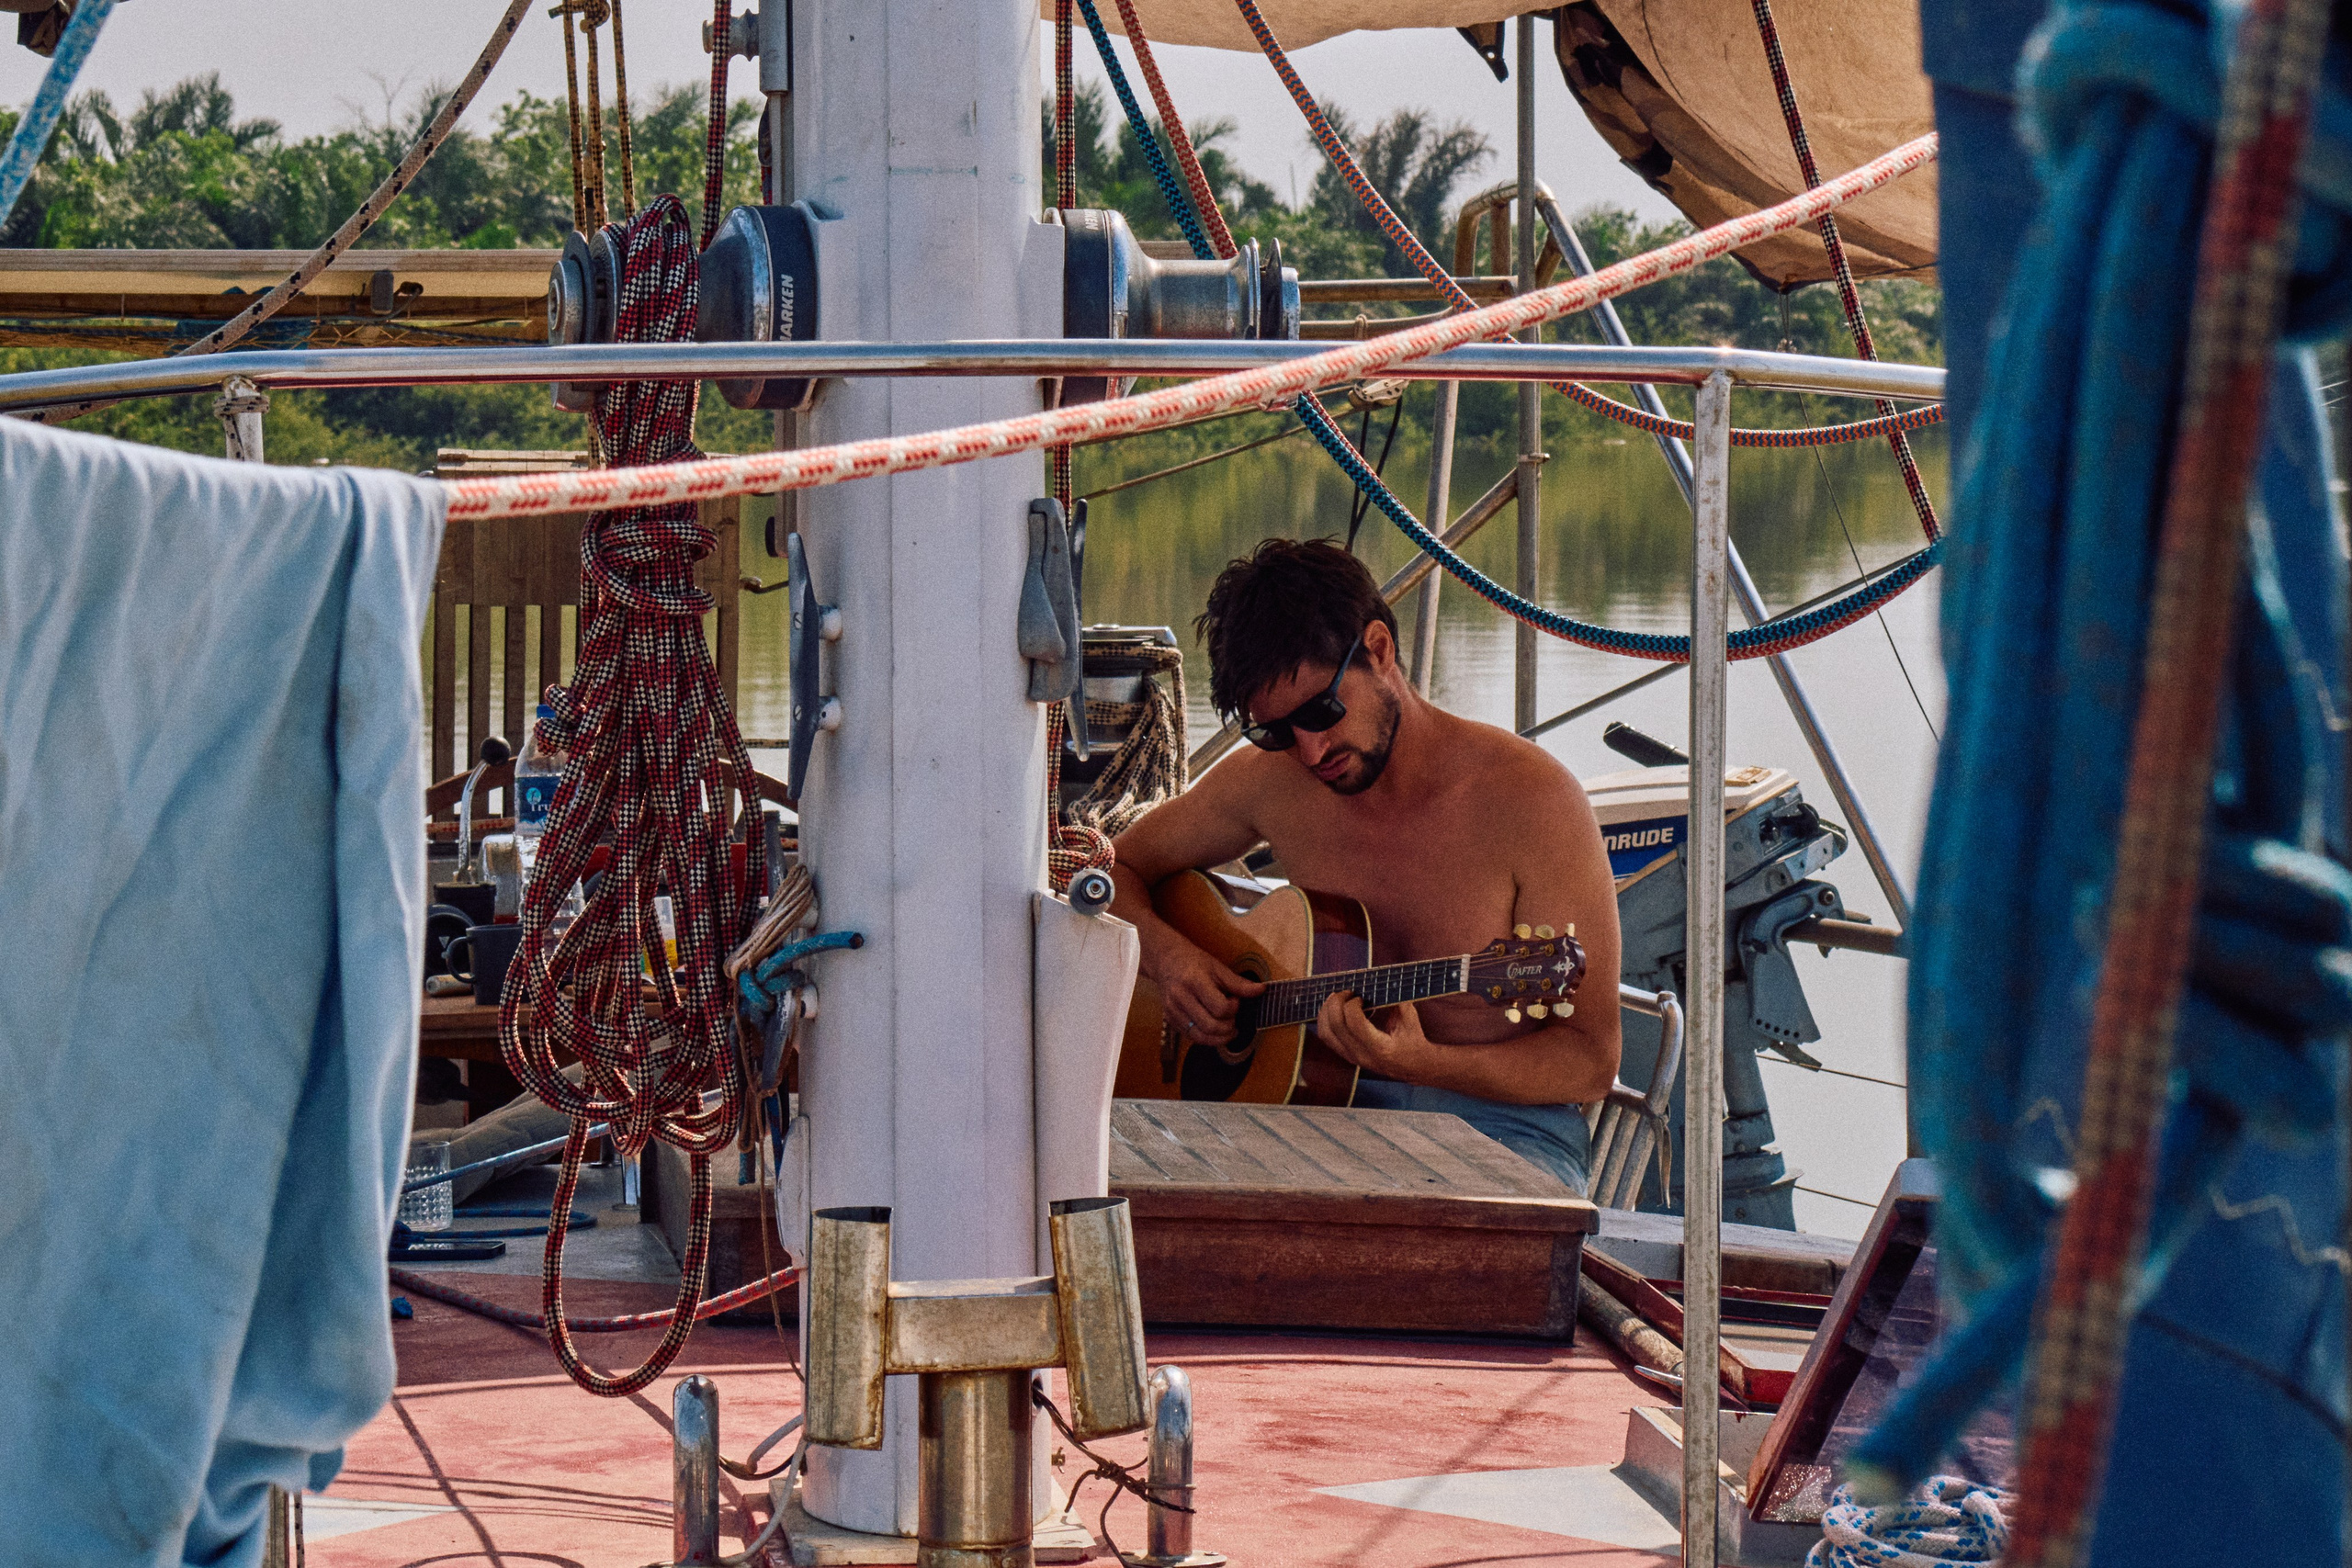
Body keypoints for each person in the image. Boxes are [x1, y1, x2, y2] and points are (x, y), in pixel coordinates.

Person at [1107, 538, 1623, 1191]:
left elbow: (1589, 1060)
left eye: (1321, 711)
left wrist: (1424, 1064)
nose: (1310, 750)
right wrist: (1172, 961)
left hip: (1501, 1131)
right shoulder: (1269, 783)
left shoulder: (1533, 802)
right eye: (1276, 731)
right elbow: (1110, 872)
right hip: (1312, 1118)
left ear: (1379, 650)